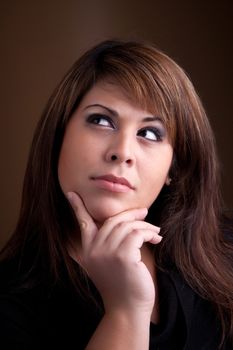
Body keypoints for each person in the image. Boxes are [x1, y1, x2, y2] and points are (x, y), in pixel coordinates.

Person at [0, 39, 232, 350]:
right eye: (101, 120)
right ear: (58, 138)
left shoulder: (226, 254)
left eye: (149, 133)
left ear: (173, 168)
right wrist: (125, 312)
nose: (122, 152)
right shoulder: (10, 304)